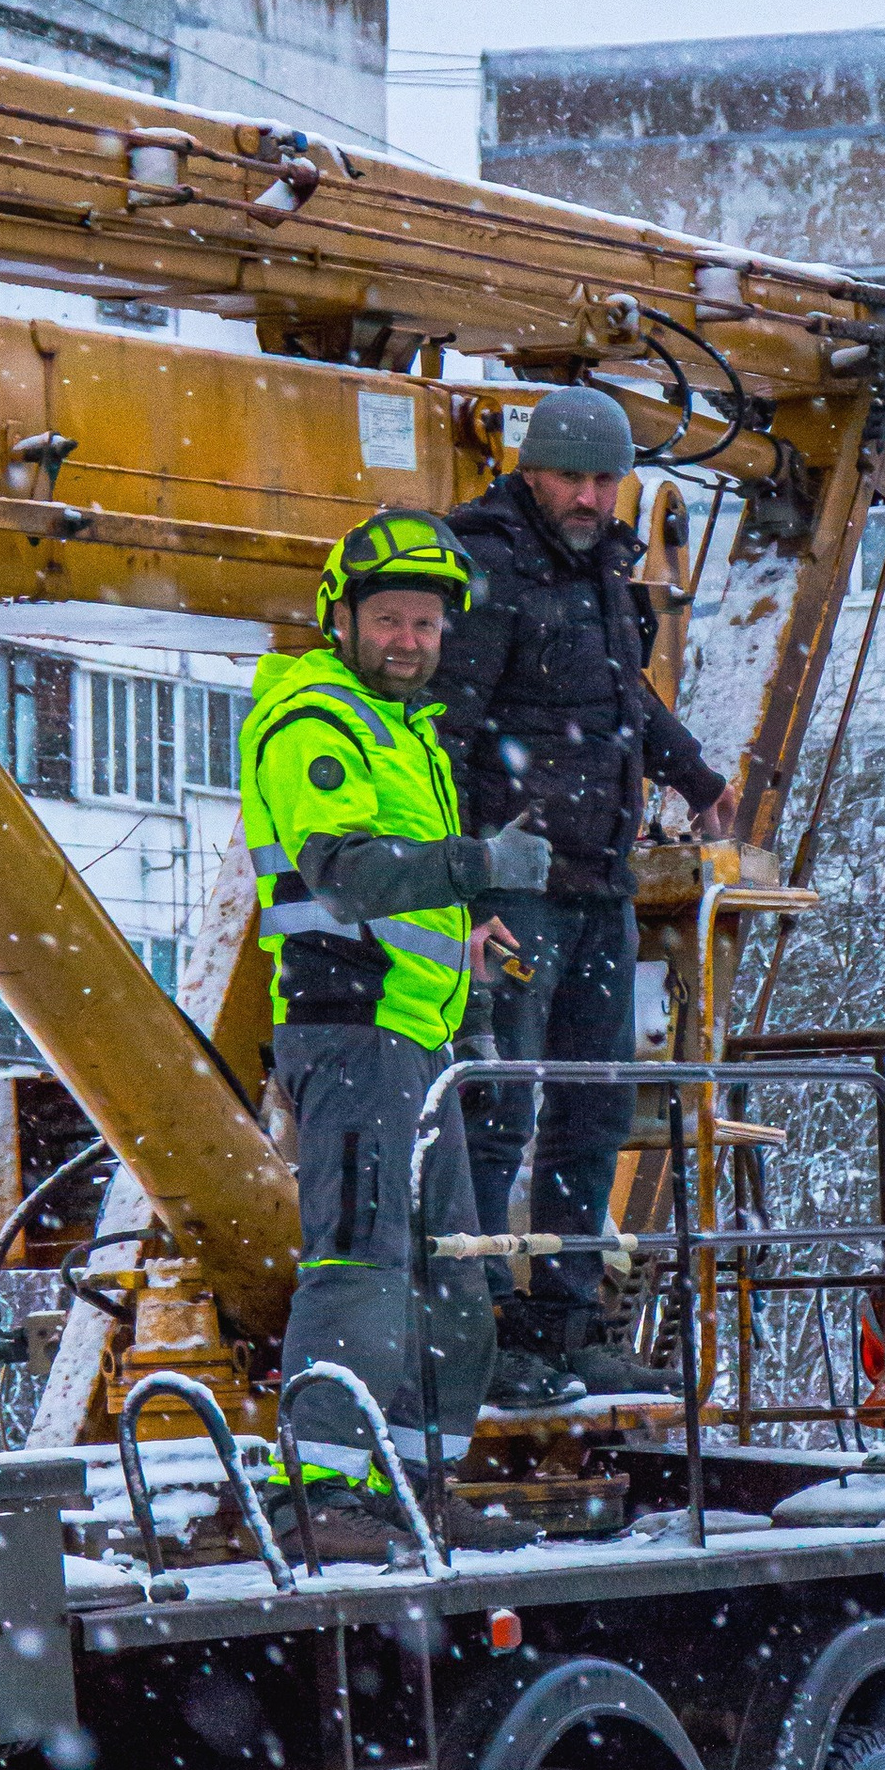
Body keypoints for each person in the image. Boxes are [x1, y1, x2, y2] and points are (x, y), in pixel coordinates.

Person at [240, 510, 552, 1561]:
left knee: (451, 1272)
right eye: (389, 618)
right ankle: (313, 1497)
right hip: (351, 1033)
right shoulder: (315, 724)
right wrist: (478, 868)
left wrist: (469, 928)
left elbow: (409, 893)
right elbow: (352, 875)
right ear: (341, 619)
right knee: (362, 1266)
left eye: (425, 622)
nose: (410, 639)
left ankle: (413, 1483)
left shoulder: (406, 730)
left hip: (416, 1044)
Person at [437, 386, 737, 1406]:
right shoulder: (479, 565)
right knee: (496, 1105)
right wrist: (470, 879)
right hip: (517, 897)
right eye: (573, 475)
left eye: (606, 479)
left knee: (592, 1107)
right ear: (531, 470)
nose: (591, 494)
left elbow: (623, 695)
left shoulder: (606, 569)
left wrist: (696, 776)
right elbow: (451, 730)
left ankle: (564, 1323)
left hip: (597, 882)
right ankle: (480, 1331)